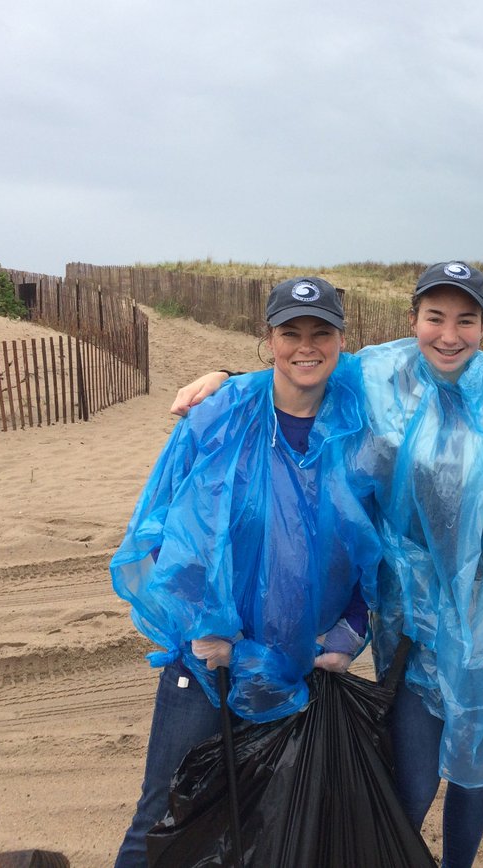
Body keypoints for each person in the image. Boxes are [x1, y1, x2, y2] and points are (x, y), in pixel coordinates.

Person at [169, 262, 483, 868]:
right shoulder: (377, 373)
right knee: (408, 781)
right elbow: (300, 370)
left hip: (480, 613)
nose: (449, 334)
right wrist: (227, 379)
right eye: (435, 317)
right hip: (405, 615)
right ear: (412, 319)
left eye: (466, 320)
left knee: (472, 765)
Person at [111, 277, 381, 868]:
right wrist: (199, 624)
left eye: (321, 333)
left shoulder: (364, 430)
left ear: (342, 340)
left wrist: (350, 632)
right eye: (291, 333)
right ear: (269, 338)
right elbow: (162, 531)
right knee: (165, 812)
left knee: (270, 821)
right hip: (207, 661)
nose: (305, 347)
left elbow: (378, 547)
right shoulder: (221, 416)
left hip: (300, 667)